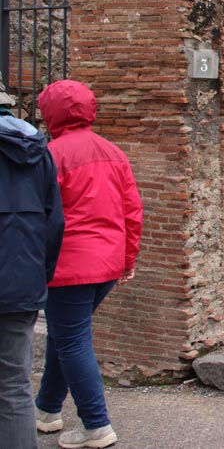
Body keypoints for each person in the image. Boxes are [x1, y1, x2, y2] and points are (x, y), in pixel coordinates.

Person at [34, 80, 143, 449]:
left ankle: (96, 426)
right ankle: (46, 410)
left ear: (50, 113)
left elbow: (41, 216)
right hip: (107, 265)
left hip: (67, 268)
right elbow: (132, 211)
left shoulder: (49, 155)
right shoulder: (114, 152)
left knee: (72, 340)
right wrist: (127, 259)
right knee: (64, 336)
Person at [0, 80, 65, 449]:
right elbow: (53, 222)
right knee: (14, 385)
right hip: (21, 282)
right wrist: (39, 275)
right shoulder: (36, 149)